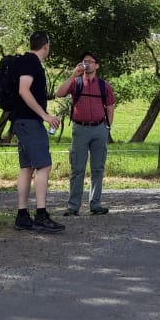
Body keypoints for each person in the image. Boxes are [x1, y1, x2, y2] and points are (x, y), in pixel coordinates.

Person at [9, 31, 65, 233]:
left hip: (22, 121)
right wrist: (45, 115)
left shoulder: (24, 61)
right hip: (30, 122)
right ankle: (41, 214)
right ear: (45, 46)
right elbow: (24, 90)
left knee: (27, 168)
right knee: (44, 165)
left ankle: (22, 216)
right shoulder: (31, 62)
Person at [54, 51, 117, 216]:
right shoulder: (76, 83)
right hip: (80, 130)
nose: (87, 63)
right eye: (84, 61)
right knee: (77, 169)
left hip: (99, 129)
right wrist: (73, 75)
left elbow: (110, 106)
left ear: (97, 66)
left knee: (98, 168)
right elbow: (59, 93)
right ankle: (73, 207)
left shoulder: (103, 85)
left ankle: (95, 205)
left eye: (90, 61)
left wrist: (107, 127)